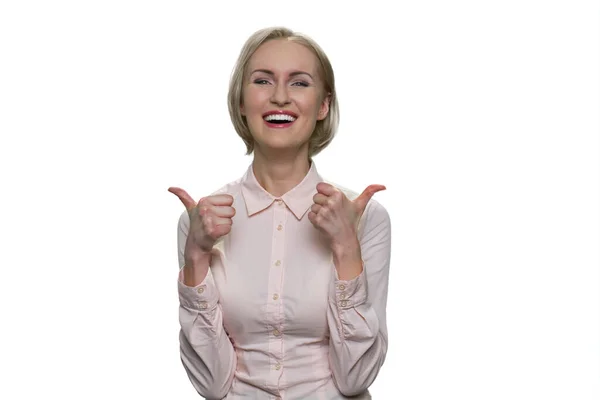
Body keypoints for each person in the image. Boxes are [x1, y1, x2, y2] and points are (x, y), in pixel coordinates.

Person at [168, 26, 392, 400]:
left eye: (300, 83)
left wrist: (346, 247)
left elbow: (356, 378)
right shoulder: (202, 223)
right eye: (262, 81)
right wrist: (195, 256)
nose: (280, 97)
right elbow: (211, 384)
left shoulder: (366, 218)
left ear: (323, 105)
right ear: (241, 101)